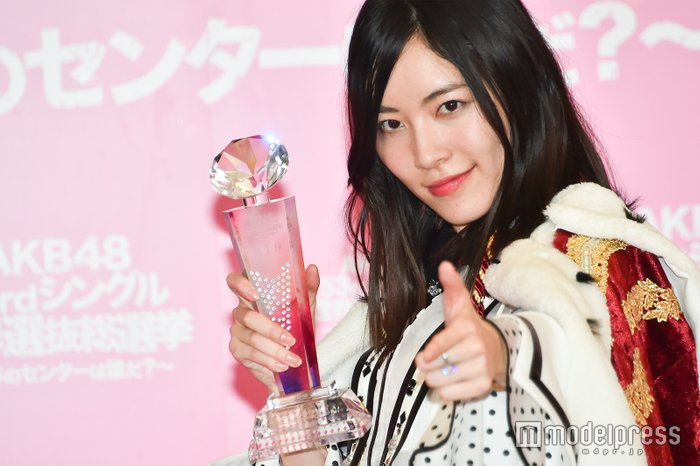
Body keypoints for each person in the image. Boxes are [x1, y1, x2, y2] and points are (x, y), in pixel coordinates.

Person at [216, 1, 700, 465]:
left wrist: (510, 360)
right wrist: (295, 386)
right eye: (391, 124)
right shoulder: (403, 309)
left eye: (449, 105)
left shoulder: (598, 260)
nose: (426, 153)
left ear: (519, 85)